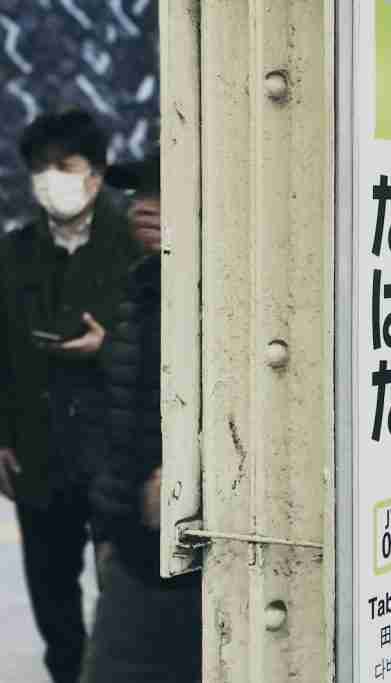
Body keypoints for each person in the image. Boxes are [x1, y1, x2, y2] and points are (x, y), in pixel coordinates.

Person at [0, 110, 140, 683]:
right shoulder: (15, 249)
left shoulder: (134, 240)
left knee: (125, 595)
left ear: (97, 174)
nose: (48, 179)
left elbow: (165, 345)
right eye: (39, 168)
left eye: (64, 166)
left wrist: (107, 347)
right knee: (52, 597)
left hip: (115, 451)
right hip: (38, 451)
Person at [82, 150, 203, 683]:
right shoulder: (142, 283)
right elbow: (124, 411)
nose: (145, 207)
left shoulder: (234, 294)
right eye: (140, 195)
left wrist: (189, 478)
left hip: (198, 548)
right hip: (133, 542)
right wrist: (106, 526)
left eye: (163, 193)